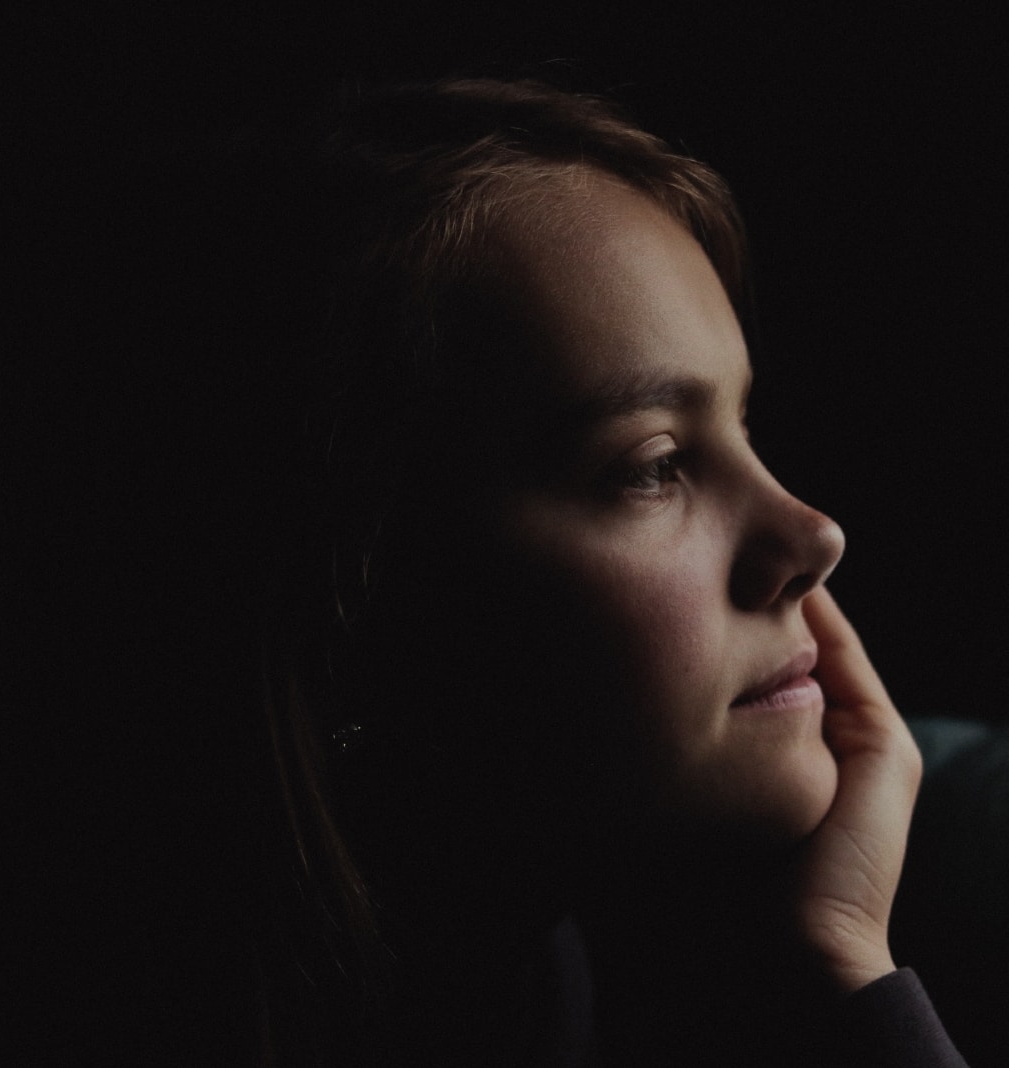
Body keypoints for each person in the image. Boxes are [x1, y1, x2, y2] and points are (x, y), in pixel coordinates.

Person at [139, 77, 966, 1066]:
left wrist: (839, 951)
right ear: (357, 604)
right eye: (653, 465)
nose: (814, 535)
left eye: (741, 426)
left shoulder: (524, 971)